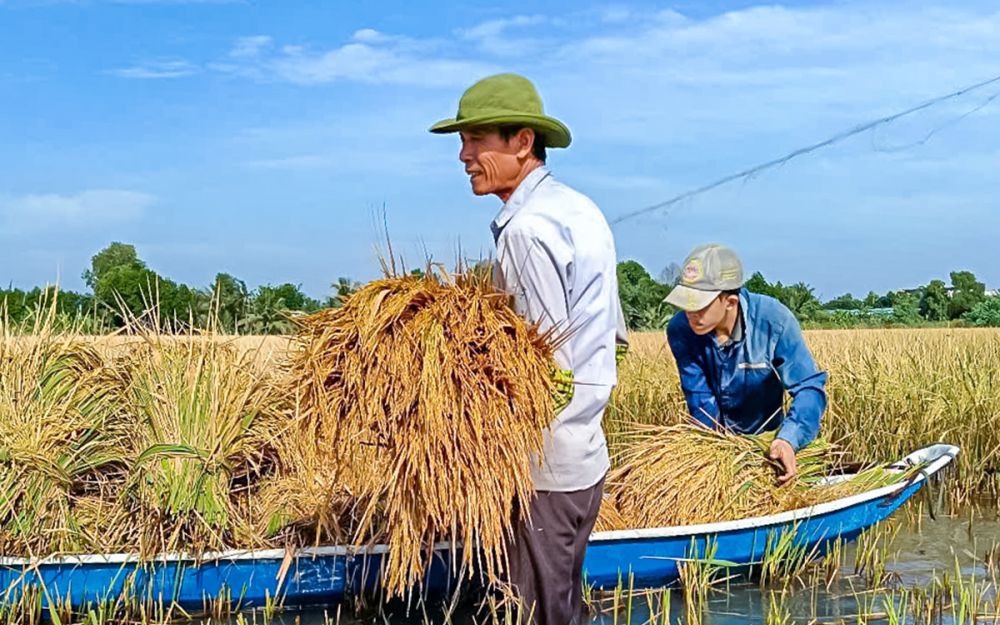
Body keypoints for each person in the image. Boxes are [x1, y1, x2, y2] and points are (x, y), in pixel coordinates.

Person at [429, 73, 627, 625]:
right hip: (583, 456)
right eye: (461, 141)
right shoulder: (580, 210)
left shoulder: (527, 230)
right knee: (562, 606)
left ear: (522, 141)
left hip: (542, 466)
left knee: (536, 614)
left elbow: (539, 366)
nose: (464, 155)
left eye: (478, 140)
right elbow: (613, 334)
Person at [664, 244, 828, 483]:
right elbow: (700, 400)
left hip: (771, 444)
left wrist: (788, 439)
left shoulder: (774, 321)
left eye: (698, 304)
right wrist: (713, 455)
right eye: (686, 302)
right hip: (724, 450)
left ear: (730, 302)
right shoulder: (681, 331)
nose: (690, 312)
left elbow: (808, 388)